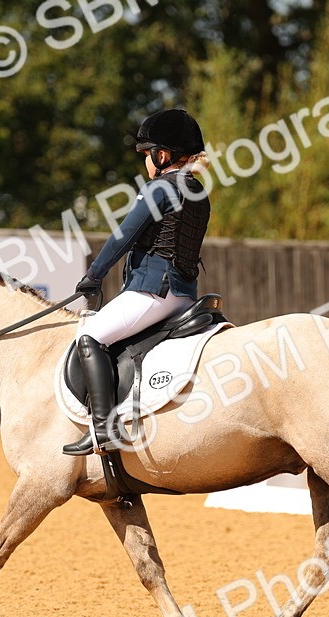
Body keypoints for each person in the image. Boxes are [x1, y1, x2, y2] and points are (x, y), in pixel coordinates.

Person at [63, 108, 211, 457]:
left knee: (90, 336)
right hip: (184, 296)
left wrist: (93, 276)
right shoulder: (198, 191)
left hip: (153, 291)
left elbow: (123, 236)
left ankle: (103, 429)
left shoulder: (160, 187)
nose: (146, 162)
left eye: (147, 154)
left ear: (163, 155)